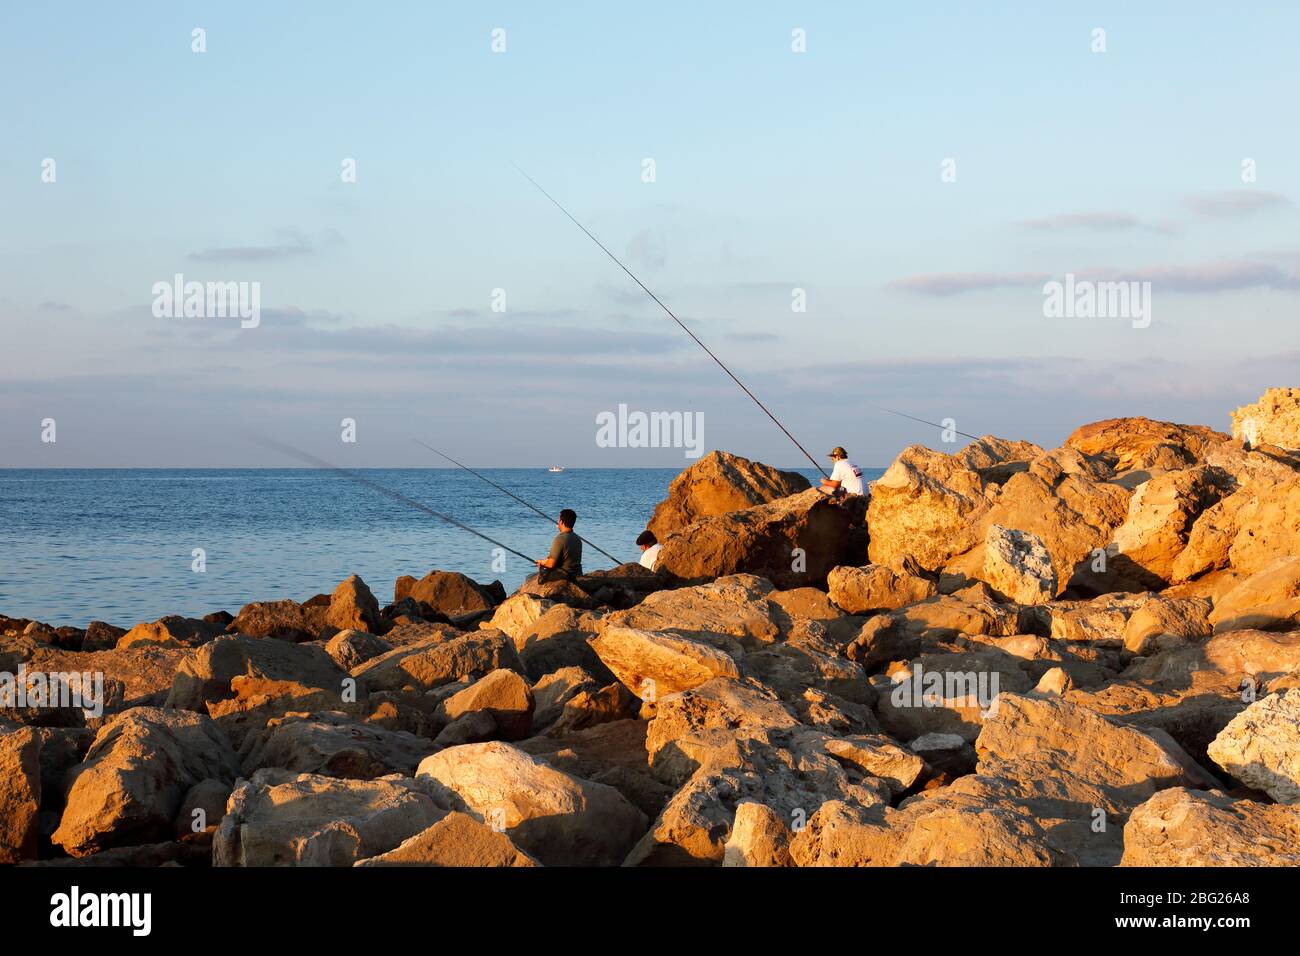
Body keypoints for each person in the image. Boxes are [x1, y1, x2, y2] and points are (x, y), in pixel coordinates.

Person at [535, 508, 583, 583]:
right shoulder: (577, 538)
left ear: (561, 522)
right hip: (577, 573)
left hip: (565, 575)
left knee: (530, 577)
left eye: (559, 519)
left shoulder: (560, 539)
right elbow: (564, 560)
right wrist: (543, 561)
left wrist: (541, 564)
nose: (558, 522)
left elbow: (551, 564)